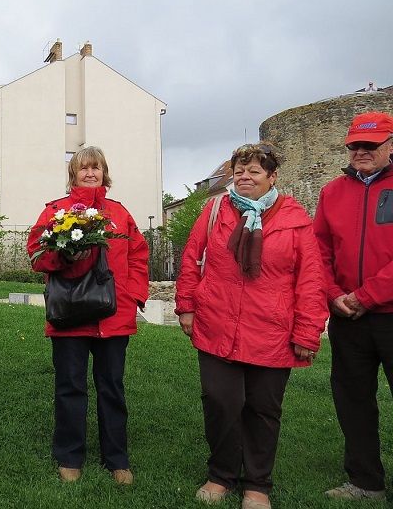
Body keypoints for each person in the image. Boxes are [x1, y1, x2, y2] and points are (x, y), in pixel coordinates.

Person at [175, 143, 327, 509]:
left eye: (254, 171)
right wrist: (186, 306)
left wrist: (308, 330)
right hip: (216, 324)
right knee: (220, 402)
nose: (244, 177)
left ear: (273, 177)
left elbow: (311, 279)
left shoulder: (295, 219)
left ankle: (257, 485)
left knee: (262, 409)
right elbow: (192, 257)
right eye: (239, 171)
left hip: (271, 331)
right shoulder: (214, 210)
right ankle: (221, 475)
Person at [26, 146, 149, 485]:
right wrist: (62, 256)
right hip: (69, 314)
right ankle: (69, 455)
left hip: (114, 315)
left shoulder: (119, 214)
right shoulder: (56, 211)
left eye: (96, 168)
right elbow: (36, 255)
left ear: (104, 172)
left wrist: (136, 294)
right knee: (70, 387)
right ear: (74, 174)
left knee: (111, 387)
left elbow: (138, 254)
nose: (90, 174)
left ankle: (117, 458)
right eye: (84, 168)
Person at [313, 112, 393, 501]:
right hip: (348, 318)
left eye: (371, 145)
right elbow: (320, 250)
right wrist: (332, 294)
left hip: (388, 312)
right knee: (352, 399)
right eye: (355, 145)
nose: (361, 152)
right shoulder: (332, 192)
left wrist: (366, 295)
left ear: (389, 146)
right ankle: (365, 482)